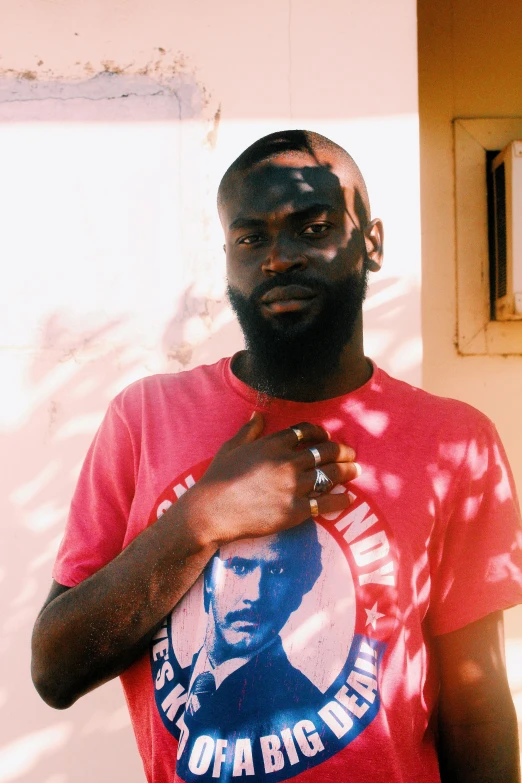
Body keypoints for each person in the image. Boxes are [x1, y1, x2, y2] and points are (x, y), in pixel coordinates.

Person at [32, 130, 522, 783]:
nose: (278, 258)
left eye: (311, 226)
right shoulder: (144, 418)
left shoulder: (453, 442)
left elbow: (477, 705)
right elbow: (55, 670)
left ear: (370, 243)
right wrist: (202, 517)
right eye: (250, 239)